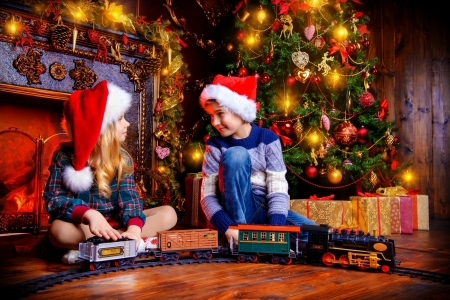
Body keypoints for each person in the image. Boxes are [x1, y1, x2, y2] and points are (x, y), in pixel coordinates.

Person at [44, 80, 177, 264]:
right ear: (101, 128)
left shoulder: (122, 159)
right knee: (57, 231)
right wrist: (90, 215)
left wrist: (134, 229)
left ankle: (114, 242)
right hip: (86, 227)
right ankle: (118, 244)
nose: (128, 123)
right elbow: (55, 200)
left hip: (118, 222)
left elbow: (130, 200)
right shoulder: (63, 157)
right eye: (121, 118)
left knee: (169, 213)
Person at [199, 74, 316, 246]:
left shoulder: (268, 138)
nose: (215, 122)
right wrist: (228, 228)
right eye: (211, 115)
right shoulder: (215, 145)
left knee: (313, 234)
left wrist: (275, 230)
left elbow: (277, 186)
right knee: (236, 155)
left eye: (220, 114)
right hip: (233, 212)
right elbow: (207, 196)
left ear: (239, 110)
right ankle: (241, 236)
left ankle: (258, 236)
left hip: (263, 208)